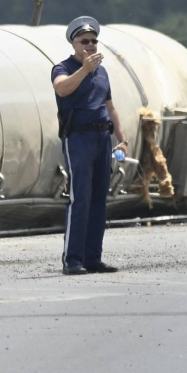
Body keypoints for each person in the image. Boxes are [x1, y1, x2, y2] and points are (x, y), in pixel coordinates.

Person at [51, 16, 129, 275]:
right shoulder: (63, 68)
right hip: (79, 139)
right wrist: (84, 69)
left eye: (94, 41)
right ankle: (72, 259)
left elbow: (110, 106)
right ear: (74, 44)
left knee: (99, 200)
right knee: (79, 199)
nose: (90, 46)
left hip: (101, 139)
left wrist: (122, 138)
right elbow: (62, 90)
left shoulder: (102, 72)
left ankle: (93, 257)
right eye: (84, 41)